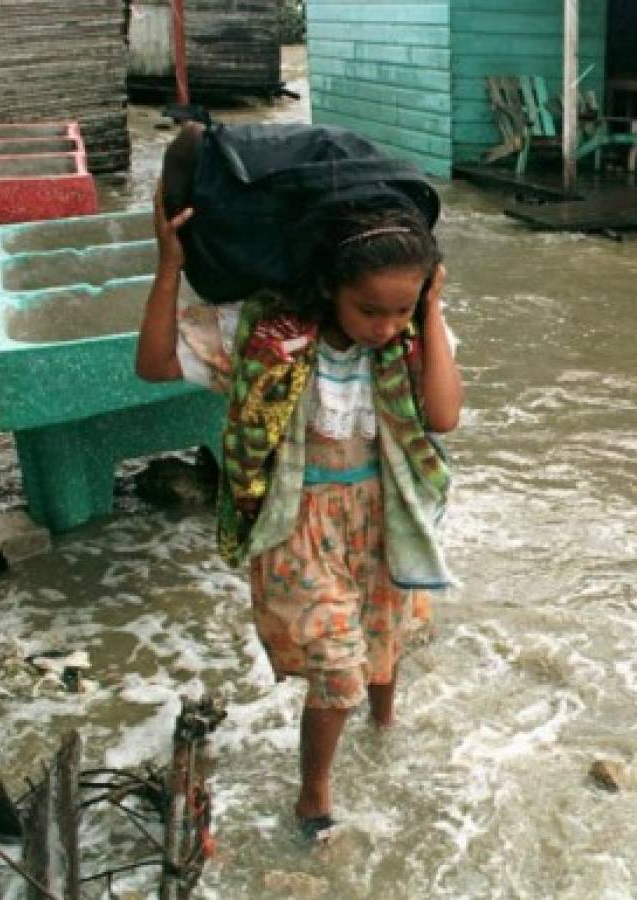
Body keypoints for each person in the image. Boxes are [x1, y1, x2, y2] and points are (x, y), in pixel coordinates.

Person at [136, 168, 462, 844]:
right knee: (338, 667)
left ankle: (385, 725)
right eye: (371, 309)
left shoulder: (409, 339)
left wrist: (428, 314)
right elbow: (156, 363)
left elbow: (445, 416)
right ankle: (313, 796)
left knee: (385, 634)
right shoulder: (267, 336)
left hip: (383, 513)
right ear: (329, 289)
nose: (385, 324)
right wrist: (169, 265)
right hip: (298, 521)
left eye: (401, 308)